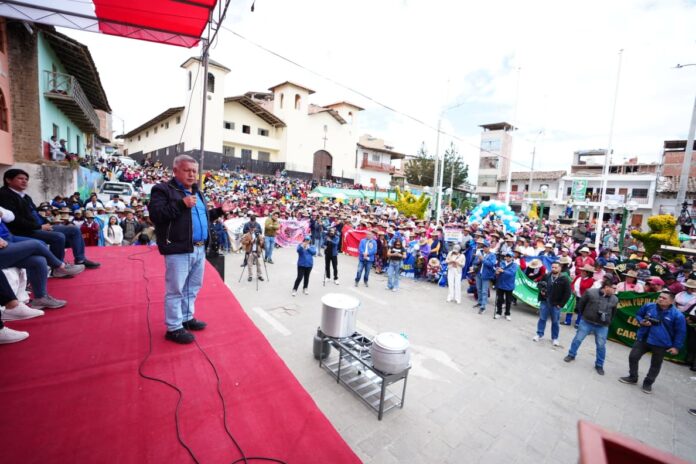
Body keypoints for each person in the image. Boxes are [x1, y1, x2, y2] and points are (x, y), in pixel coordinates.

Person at [149, 155, 232, 345]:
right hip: (179, 249)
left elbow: (203, 217)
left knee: (193, 287)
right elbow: (156, 215)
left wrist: (220, 211)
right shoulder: (163, 190)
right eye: (187, 170)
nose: (192, 174)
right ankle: (173, 327)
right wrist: (181, 204)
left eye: (194, 171)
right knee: (175, 290)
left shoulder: (197, 192)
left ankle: (186, 317)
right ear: (175, 171)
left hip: (199, 249)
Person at [0, 169, 100, 269]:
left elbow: (36, 214)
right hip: (25, 231)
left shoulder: (25, 196)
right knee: (58, 236)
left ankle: (80, 259)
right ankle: (58, 267)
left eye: (26, 179)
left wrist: (49, 223)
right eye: (20, 178)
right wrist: (40, 227)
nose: (24, 181)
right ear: (8, 180)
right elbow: (15, 220)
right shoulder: (4, 195)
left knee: (74, 229)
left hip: (38, 226)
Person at [619, 291, 686, 394]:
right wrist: (641, 321)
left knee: (655, 365)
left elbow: (680, 333)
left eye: (664, 298)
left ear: (671, 301)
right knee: (633, 357)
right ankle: (633, 377)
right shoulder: (649, 306)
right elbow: (639, 314)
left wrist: (676, 347)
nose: (660, 299)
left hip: (661, 343)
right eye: (660, 297)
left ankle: (648, 383)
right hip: (644, 338)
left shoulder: (678, 315)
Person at [564, 279, 619, 375]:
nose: (615, 290)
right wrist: (586, 315)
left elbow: (613, 313)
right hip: (587, 322)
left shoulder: (615, 299)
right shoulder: (590, 292)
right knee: (578, 339)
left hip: (602, 326)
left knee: (601, 345)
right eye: (613, 288)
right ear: (606, 287)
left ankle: (599, 365)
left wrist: (608, 322)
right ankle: (571, 355)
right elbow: (581, 305)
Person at [533, 261, 572, 346]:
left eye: (556, 267)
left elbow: (568, 293)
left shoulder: (564, 279)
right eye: (552, 267)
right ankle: (539, 334)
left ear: (560, 268)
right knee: (542, 319)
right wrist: (542, 290)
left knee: (555, 322)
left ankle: (555, 338)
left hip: (556, 304)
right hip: (545, 301)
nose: (553, 269)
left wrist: (561, 304)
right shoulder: (546, 275)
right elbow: (539, 285)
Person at [474, 240, 497, 314]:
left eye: (486, 247)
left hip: (486, 275)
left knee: (484, 291)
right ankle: (480, 302)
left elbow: (491, 264)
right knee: (479, 289)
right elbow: (475, 262)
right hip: (478, 274)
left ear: (489, 247)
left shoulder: (492, 255)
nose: (484, 248)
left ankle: (483, 306)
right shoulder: (480, 253)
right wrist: (478, 261)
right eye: (483, 247)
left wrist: (483, 259)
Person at [494, 250, 517, 320]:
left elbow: (511, 273)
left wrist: (503, 271)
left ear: (512, 258)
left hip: (509, 285)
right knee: (499, 299)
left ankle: (507, 313)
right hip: (500, 284)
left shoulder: (515, 265)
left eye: (509, 256)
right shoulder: (502, 263)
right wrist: (497, 272)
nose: (507, 257)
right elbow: (497, 270)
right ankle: (498, 312)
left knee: (508, 301)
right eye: (507, 256)